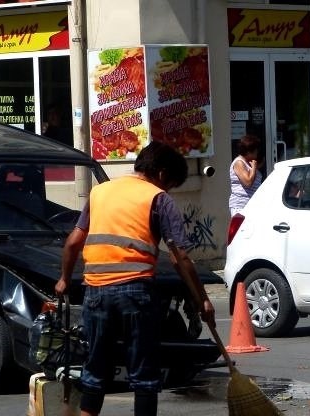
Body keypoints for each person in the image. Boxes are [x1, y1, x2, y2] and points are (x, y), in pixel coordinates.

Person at [54, 141, 216, 416]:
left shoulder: (100, 192)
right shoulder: (158, 198)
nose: (168, 190)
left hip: (95, 291)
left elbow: (72, 243)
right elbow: (180, 258)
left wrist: (64, 279)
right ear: (162, 174)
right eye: (171, 184)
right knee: (143, 375)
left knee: (95, 371)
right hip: (135, 292)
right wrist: (202, 300)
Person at [229, 134, 262, 217]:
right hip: (241, 206)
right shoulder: (239, 162)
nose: (257, 152)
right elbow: (248, 182)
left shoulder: (248, 162)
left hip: (251, 205)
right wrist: (254, 168)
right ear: (248, 151)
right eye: (255, 149)